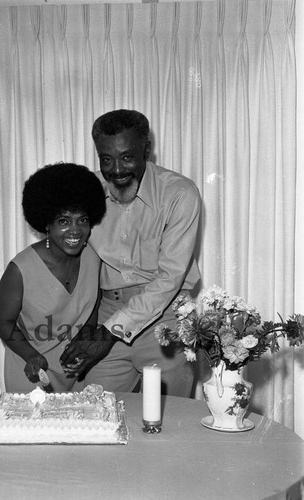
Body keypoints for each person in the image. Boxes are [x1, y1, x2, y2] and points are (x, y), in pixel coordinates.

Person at [60, 109, 202, 397]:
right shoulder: (87, 189)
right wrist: (91, 324)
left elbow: (169, 279)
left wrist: (107, 332)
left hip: (168, 317)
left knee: (168, 421)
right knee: (95, 415)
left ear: (147, 150)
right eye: (106, 159)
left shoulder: (180, 193)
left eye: (127, 157)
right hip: (107, 313)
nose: (116, 170)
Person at [0, 163, 106, 393]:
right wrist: (30, 355)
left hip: (76, 372)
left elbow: (93, 305)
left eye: (82, 220)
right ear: (46, 223)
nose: (75, 230)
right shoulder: (20, 269)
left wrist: (85, 340)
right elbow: (4, 322)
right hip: (33, 371)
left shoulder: (94, 258)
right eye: (64, 221)